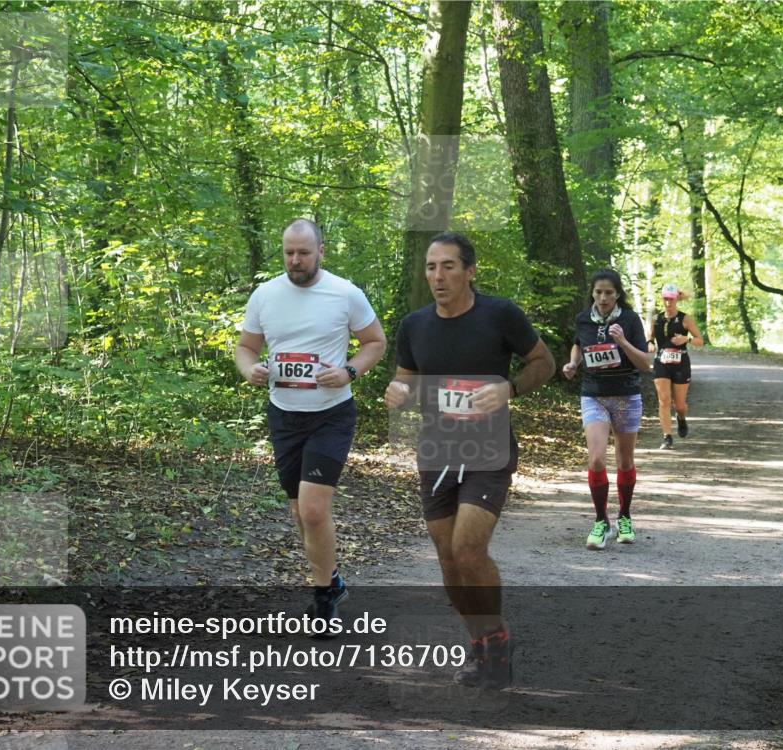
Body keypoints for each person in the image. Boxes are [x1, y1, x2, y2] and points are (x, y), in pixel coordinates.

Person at [384, 232, 554, 690]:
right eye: (431, 267)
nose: (437, 276)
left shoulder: (499, 315)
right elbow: (404, 380)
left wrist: (510, 388)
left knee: (467, 548)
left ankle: (496, 639)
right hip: (436, 452)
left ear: (470, 271)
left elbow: (544, 361)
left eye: (448, 266)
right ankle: (482, 648)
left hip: (487, 451)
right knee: (449, 566)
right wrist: (397, 392)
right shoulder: (414, 325)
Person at [235, 218, 386, 629]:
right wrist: (250, 369)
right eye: (288, 252)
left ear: (321, 250)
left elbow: (375, 342)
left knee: (314, 510)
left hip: (331, 415)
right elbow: (246, 347)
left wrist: (350, 372)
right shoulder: (265, 295)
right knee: (300, 514)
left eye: (303, 252)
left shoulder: (344, 293)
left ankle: (322, 601)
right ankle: (333, 580)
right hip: (284, 415)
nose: (295, 260)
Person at [563, 269, 652, 550]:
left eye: (609, 293)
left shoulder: (629, 319)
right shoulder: (582, 318)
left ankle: (624, 516)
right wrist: (572, 364)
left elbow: (646, 364)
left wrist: (623, 341)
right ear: (592, 292)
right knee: (597, 459)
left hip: (626, 394)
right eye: (598, 292)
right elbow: (579, 344)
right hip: (594, 395)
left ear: (617, 295)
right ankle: (602, 522)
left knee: (625, 462)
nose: (603, 298)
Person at [648, 283, 704, 450]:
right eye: (665, 299)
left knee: (679, 405)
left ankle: (681, 417)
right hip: (661, 363)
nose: (668, 303)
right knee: (664, 400)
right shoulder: (656, 319)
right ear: (662, 299)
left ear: (677, 299)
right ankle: (667, 437)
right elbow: (649, 338)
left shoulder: (685, 319)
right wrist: (650, 344)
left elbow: (700, 341)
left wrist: (686, 340)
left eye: (671, 299)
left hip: (680, 364)